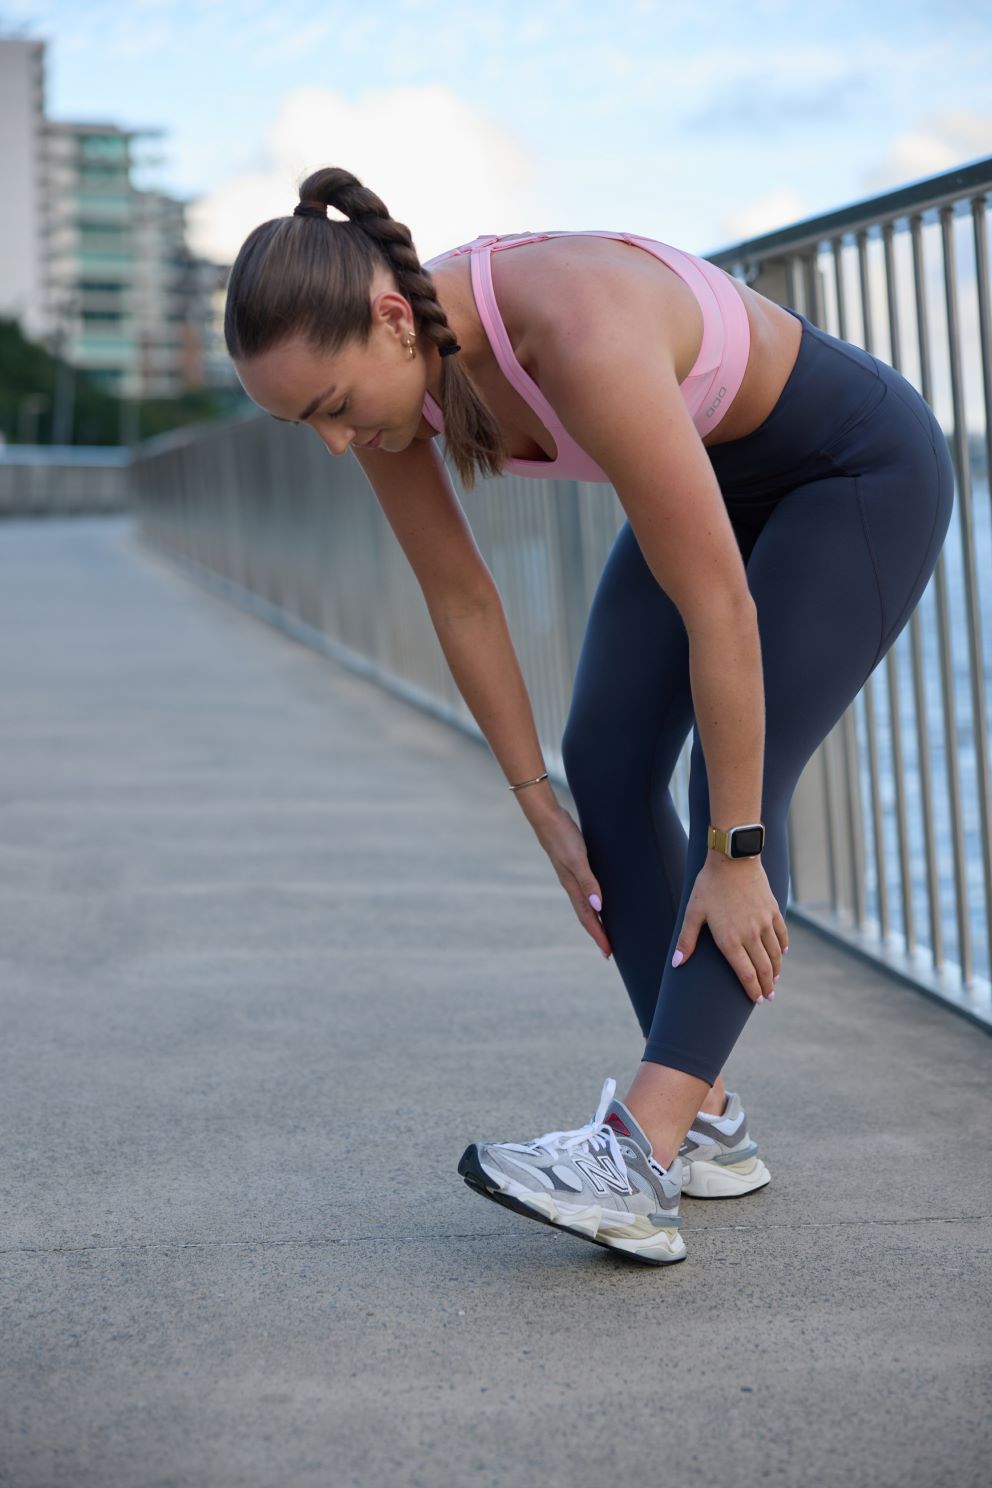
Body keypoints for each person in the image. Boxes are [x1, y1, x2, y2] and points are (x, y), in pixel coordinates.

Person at [225, 166, 955, 1266]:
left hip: (850, 475)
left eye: (329, 407)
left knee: (731, 788)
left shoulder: (571, 325)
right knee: (604, 764)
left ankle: (640, 1152)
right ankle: (703, 1118)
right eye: (300, 425)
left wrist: (738, 849)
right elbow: (462, 596)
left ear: (388, 318)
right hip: (717, 470)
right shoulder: (393, 386)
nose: (332, 441)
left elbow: (721, 606)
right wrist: (537, 805)